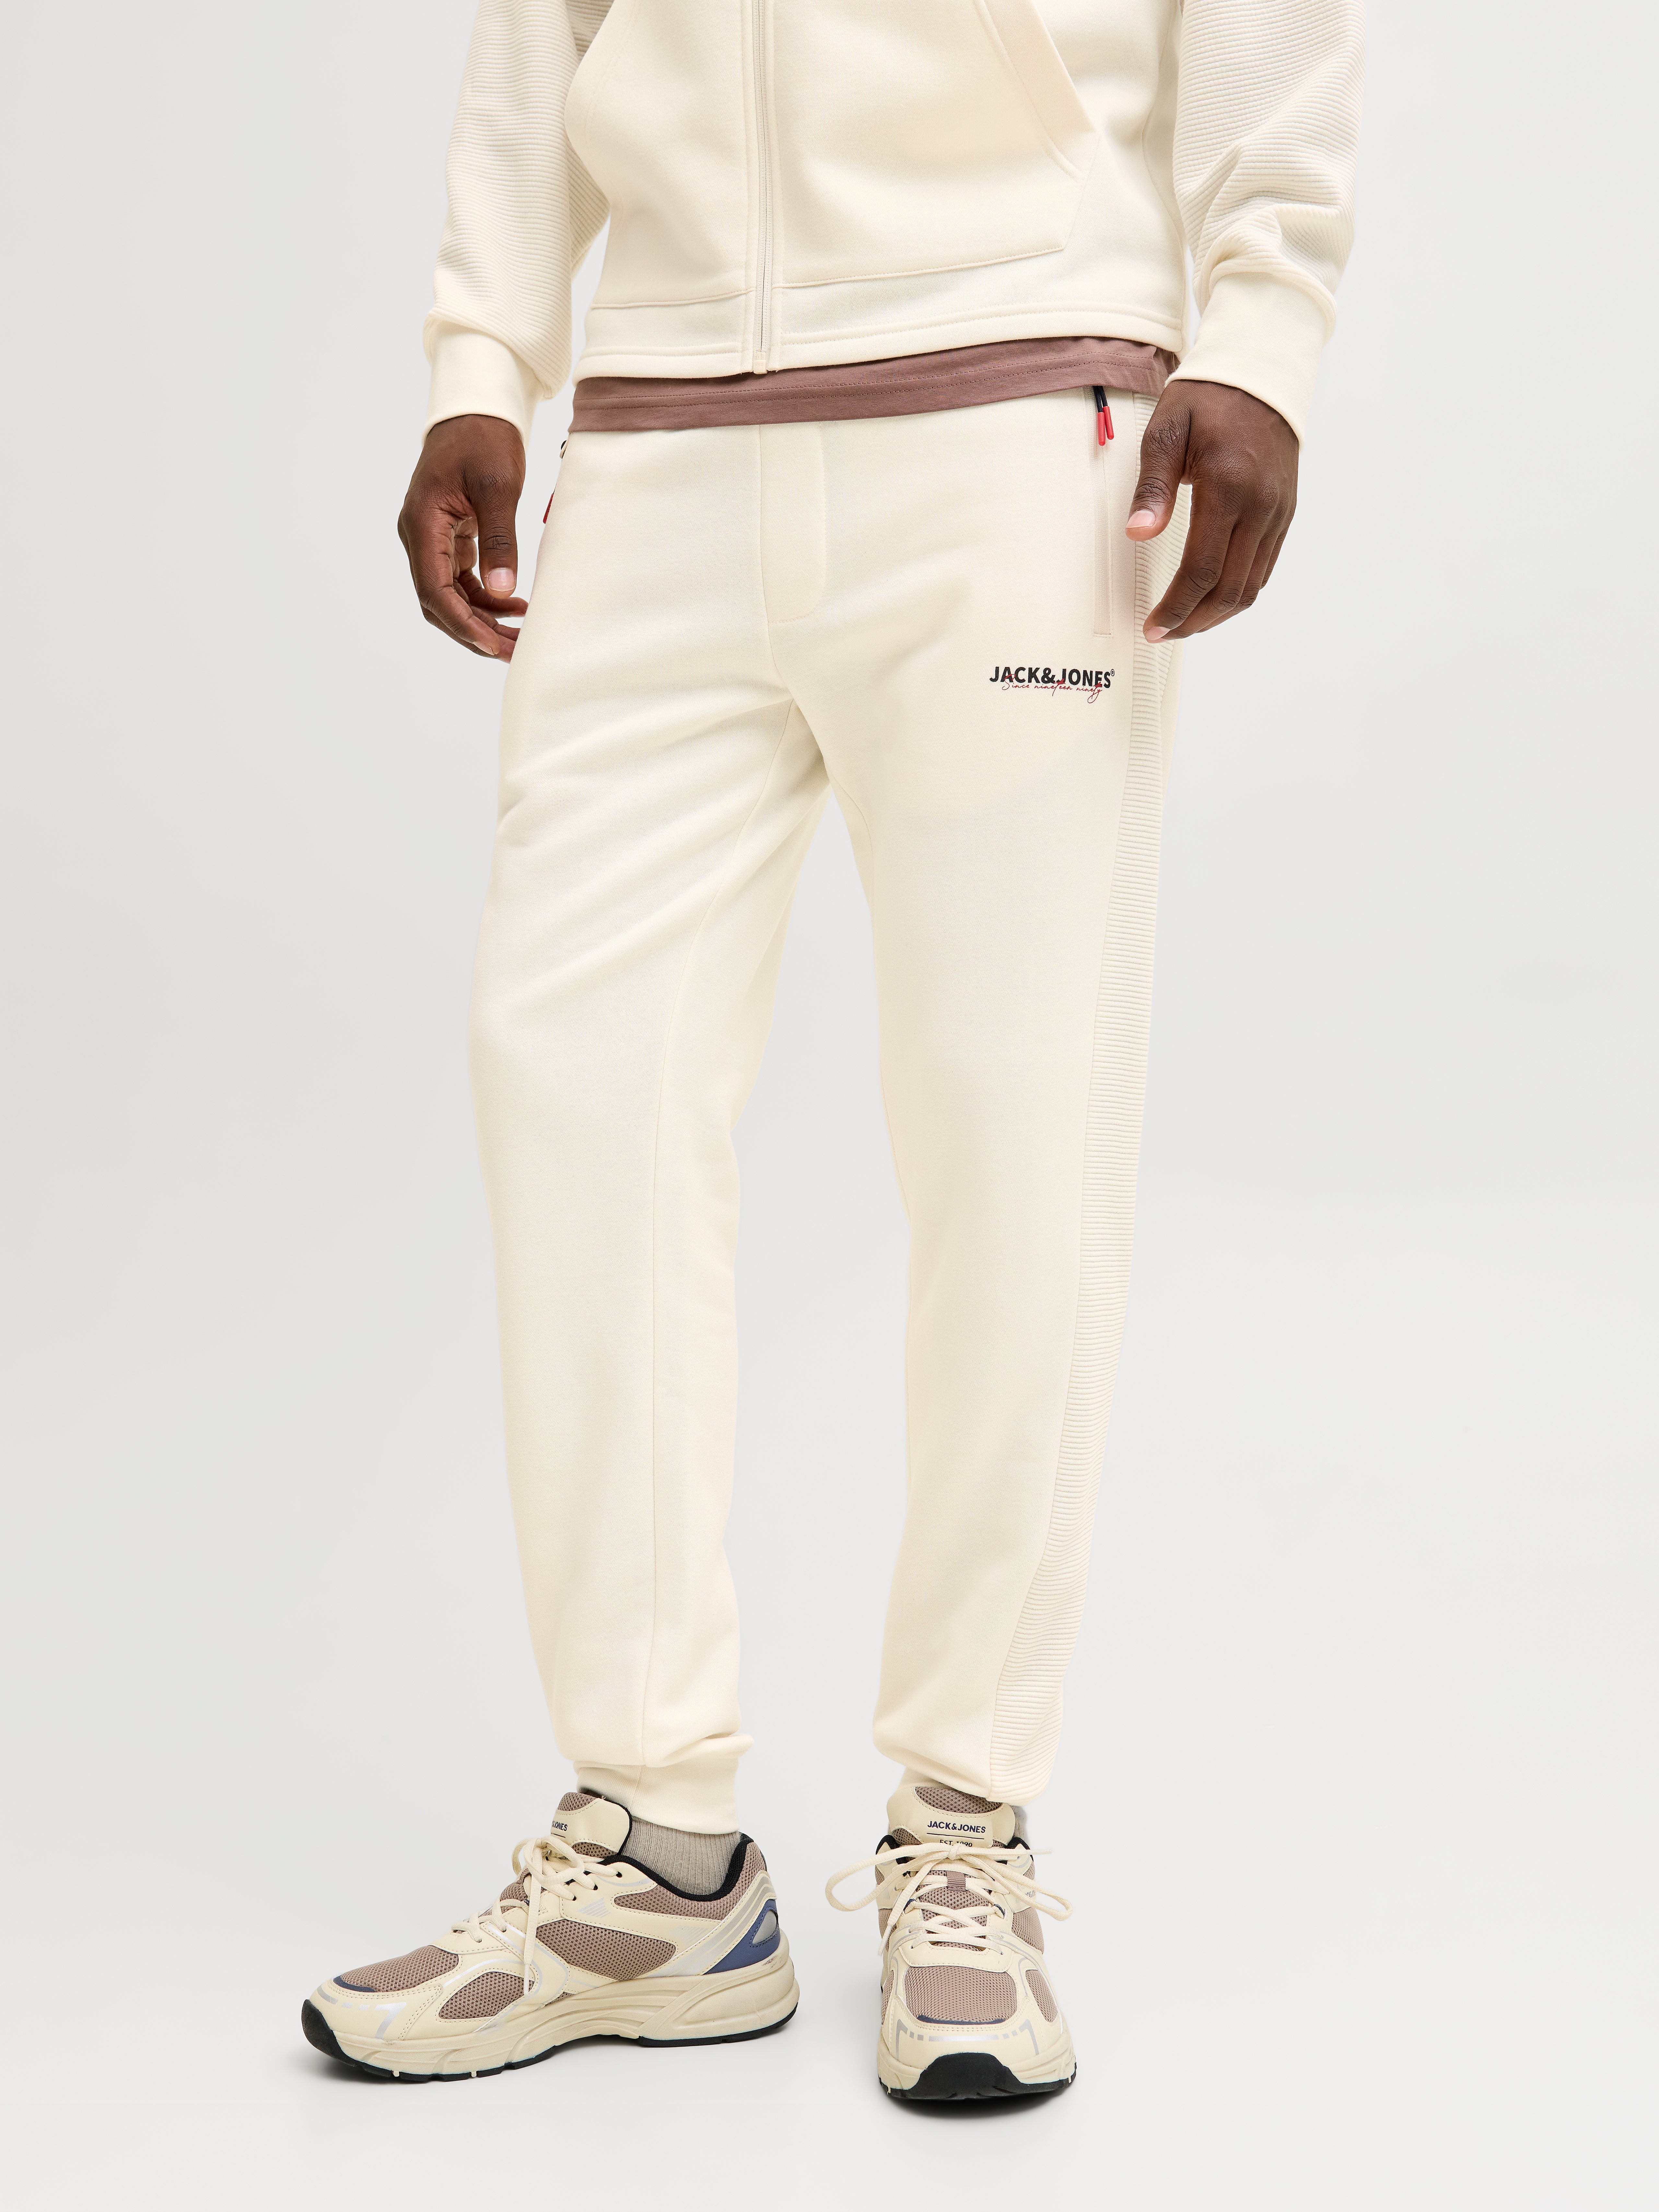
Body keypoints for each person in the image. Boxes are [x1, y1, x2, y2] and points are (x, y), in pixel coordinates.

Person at [301, 0, 1363, 2101]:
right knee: (571, 1092)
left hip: (1016, 416)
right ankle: (657, 1859)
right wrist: (480, 366)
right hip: (659, 443)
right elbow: (540, 40)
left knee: (1010, 1125)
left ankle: (966, 1821)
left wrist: (1260, 338)